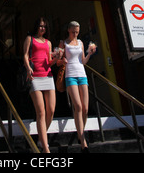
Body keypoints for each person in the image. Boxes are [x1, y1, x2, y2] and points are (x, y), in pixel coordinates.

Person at [57, 21, 96, 153]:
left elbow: (83, 61)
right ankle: (83, 142)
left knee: (85, 108)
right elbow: (58, 61)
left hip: (82, 75)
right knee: (78, 106)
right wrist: (62, 60)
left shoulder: (80, 43)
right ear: (68, 30)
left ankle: (80, 133)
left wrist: (90, 53)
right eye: (73, 31)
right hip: (70, 75)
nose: (75, 34)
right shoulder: (64, 43)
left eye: (77, 32)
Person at [23, 17, 58, 153]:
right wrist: (27, 67)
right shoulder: (29, 39)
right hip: (34, 77)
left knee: (51, 110)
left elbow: (49, 61)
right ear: (36, 27)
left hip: (48, 76)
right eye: (40, 26)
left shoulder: (48, 43)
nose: (42, 28)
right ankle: (45, 148)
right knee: (41, 112)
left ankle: (40, 139)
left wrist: (57, 58)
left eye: (44, 26)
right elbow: (25, 55)